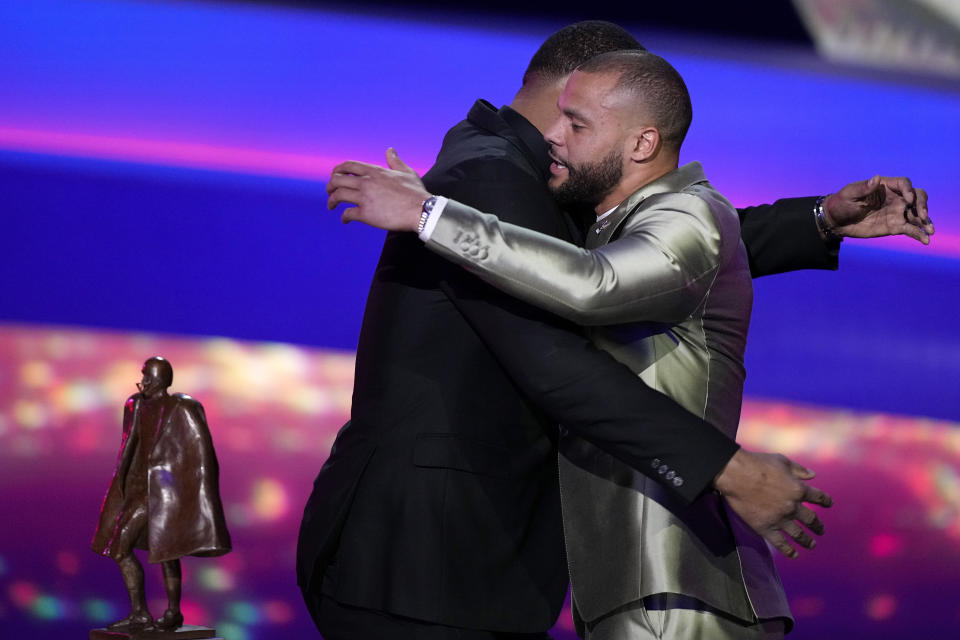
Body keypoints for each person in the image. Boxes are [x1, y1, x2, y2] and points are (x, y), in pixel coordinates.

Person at [311, 21, 930, 639]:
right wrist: (725, 469)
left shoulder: (529, 171)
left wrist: (820, 220)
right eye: (572, 117)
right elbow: (563, 343)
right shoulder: (493, 175)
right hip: (425, 556)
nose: (561, 135)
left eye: (578, 125)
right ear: (567, 88)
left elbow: (653, 253)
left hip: (447, 559)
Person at [91, 357, 231, 632]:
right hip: (139, 492)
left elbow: (201, 454)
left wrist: (195, 495)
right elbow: (128, 448)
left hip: (167, 492)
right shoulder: (135, 405)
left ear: (157, 380)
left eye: (146, 377)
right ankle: (141, 613)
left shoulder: (181, 407)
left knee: (168, 551)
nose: (142, 381)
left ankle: (172, 612)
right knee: (121, 548)